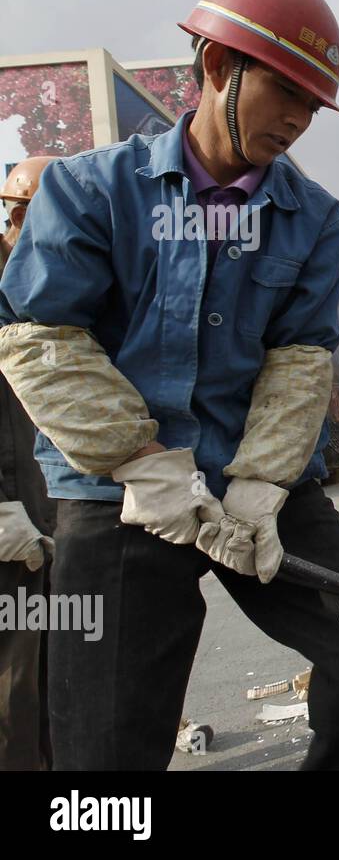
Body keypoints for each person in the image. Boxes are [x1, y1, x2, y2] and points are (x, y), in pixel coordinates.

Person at [0, 0, 339, 770]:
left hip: (252, 483)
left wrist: (260, 483)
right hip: (115, 496)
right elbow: (41, 338)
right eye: (283, 91)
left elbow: (296, 360)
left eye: (312, 105)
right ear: (218, 65)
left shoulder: (315, 220)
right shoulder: (89, 191)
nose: (296, 119)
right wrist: (140, 465)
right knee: (105, 743)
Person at [0, 156, 58, 770]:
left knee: (58, 665)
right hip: (8, 521)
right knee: (14, 683)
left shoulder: (45, 286)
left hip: (48, 513)